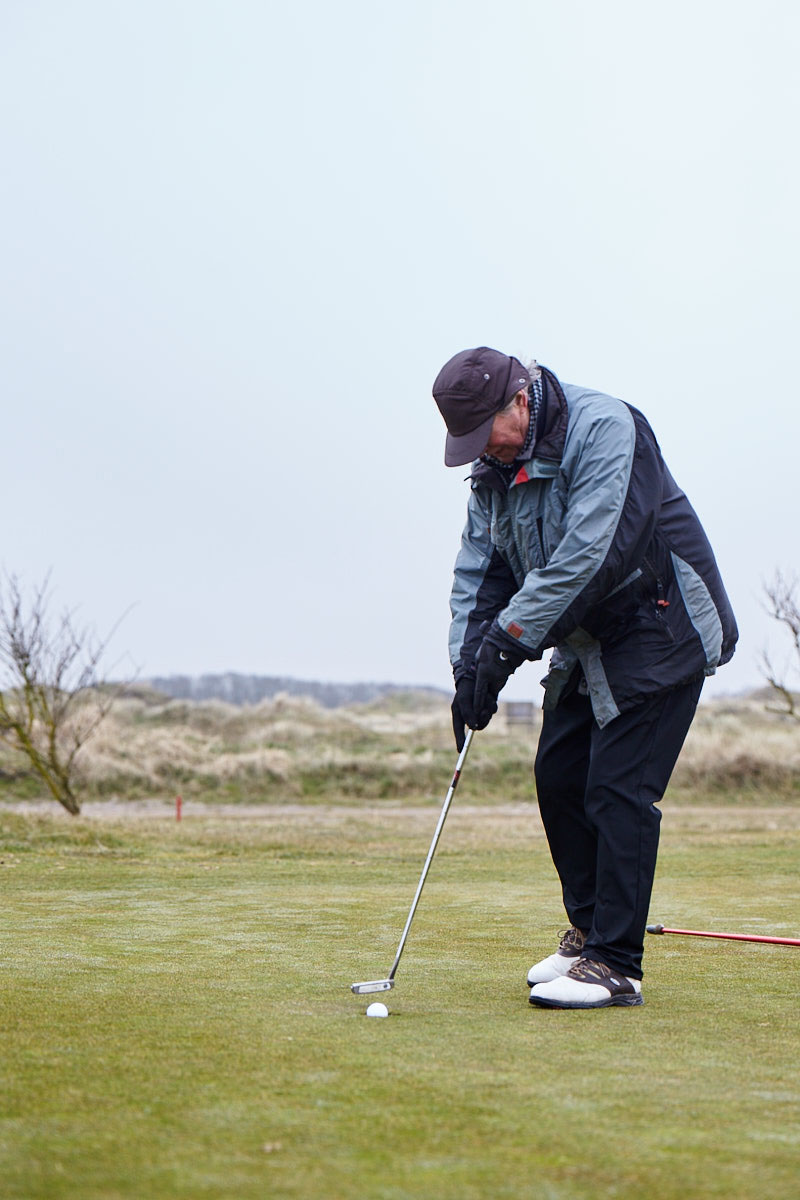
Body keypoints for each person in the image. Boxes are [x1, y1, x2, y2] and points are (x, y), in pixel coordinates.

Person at [432, 347, 738, 1009]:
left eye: (486, 433)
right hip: (586, 637)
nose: (484, 450)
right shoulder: (494, 472)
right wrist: (468, 665)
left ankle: (617, 963)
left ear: (519, 400)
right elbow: (480, 574)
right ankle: (590, 935)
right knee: (559, 776)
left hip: (663, 623)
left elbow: (591, 557)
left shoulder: (606, 427)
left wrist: (506, 646)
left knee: (617, 789)